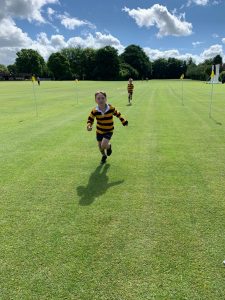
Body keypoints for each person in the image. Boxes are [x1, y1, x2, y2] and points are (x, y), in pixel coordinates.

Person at [87, 91, 128, 164]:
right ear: (95, 100)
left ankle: (109, 147)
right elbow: (90, 119)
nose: (101, 100)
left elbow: (118, 114)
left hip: (109, 130)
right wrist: (89, 126)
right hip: (99, 131)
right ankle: (104, 156)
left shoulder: (110, 108)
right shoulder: (94, 111)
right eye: (98, 98)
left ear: (106, 99)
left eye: (103, 98)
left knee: (103, 145)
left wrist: (123, 121)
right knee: (100, 147)